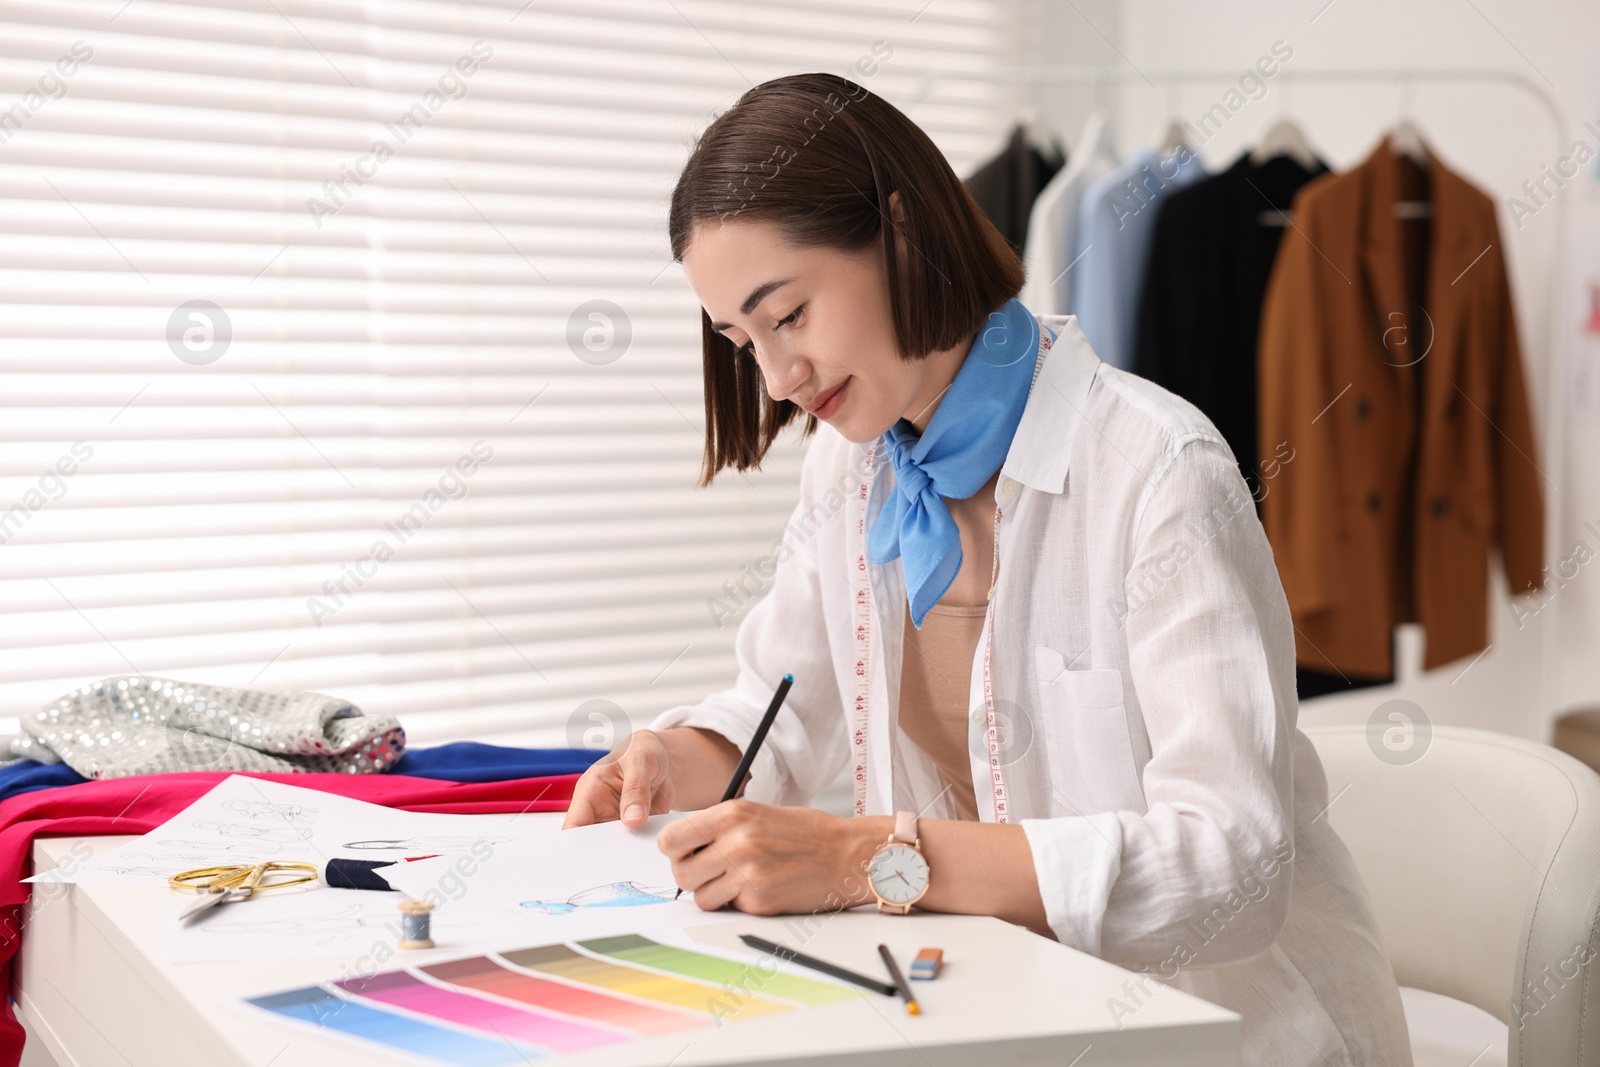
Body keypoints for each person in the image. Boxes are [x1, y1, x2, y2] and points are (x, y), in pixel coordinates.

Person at [564, 72, 1413, 1067]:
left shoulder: (1156, 470)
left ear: (900, 231)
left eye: (787, 314)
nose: (776, 377)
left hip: (1221, 1032)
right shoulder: (853, 463)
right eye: (741, 341)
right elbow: (782, 707)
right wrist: (681, 754)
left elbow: (1229, 865)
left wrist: (867, 858)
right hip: (996, 1011)